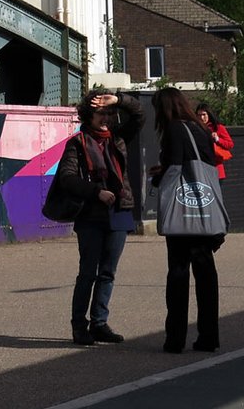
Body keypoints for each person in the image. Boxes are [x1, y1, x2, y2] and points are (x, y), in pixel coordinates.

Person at [55, 88, 144, 346]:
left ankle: (100, 323)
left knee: (108, 272)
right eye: (99, 113)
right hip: (91, 214)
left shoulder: (118, 138)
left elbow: (140, 116)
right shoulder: (77, 143)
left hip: (118, 212)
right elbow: (67, 179)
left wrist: (118, 99)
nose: (105, 117)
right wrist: (96, 192)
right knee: (88, 272)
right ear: (88, 116)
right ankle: (79, 327)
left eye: (109, 112)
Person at [151, 87, 224, 353]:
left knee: (179, 272)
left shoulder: (174, 129)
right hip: (203, 209)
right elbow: (202, 165)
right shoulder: (201, 130)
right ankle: (209, 336)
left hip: (182, 212)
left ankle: (175, 338)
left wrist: (157, 180)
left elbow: (174, 168)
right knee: (206, 274)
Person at [195, 102, 234, 180]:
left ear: (209, 114)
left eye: (204, 114)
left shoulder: (218, 127)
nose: (201, 118)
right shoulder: (195, 128)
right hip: (200, 169)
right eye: (199, 115)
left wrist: (218, 139)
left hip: (216, 168)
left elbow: (230, 144)